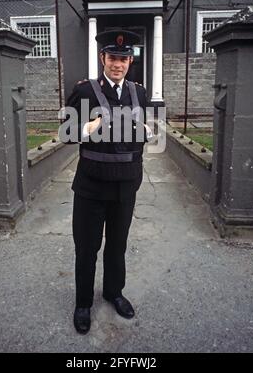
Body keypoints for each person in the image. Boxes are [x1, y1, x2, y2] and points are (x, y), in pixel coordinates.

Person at [62, 30, 151, 334]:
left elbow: (147, 132)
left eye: (124, 58)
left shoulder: (139, 93)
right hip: (90, 186)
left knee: (117, 245)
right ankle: (84, 302)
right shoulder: (85, 91)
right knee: (87, 248)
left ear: (130, 61)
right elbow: (65, 132)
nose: (118, 64)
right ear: (103, 58)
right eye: (113, 57)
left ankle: (114, 292)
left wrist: (147, 131)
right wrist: (87, 127)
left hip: (126, 186)